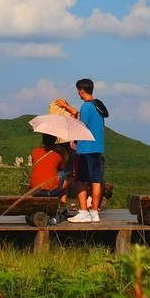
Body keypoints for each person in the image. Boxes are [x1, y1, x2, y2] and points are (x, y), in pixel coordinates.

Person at [54, 77, 108, 223]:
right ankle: (94, 212)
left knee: (80, 180)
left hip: (85, 149)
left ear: (81, 91)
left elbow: (81, 126)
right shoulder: (98, 106)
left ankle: (83, 211)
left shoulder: (86, 107)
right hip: (98, 148)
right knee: (96, 181)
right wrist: (68, 107)